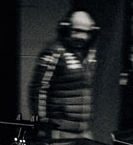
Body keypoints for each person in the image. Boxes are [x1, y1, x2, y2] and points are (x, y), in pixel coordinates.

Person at [29, 9, 98, 138]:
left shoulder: (88, 55)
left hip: (83, 130)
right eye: (77, 31)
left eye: (86, 32)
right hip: (60, 131)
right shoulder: (54, 52)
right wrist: (42, 124)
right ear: (67, 29)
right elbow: (38, 89)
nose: (82, 37)